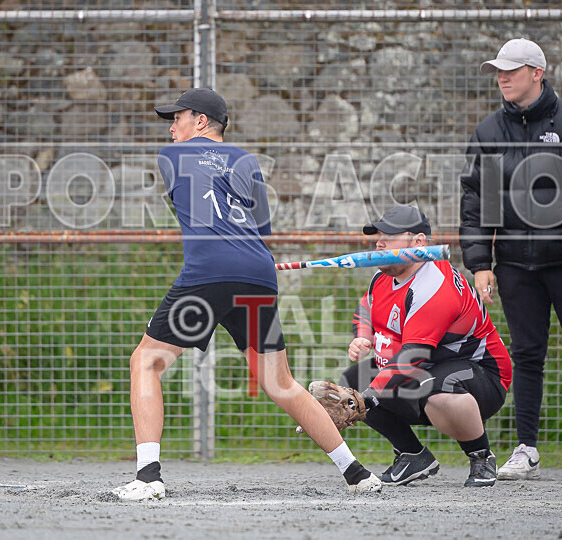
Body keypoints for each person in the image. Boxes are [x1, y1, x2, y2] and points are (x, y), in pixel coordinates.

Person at [112, 88, 380, 500]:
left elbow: (196, 206)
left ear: (200, 121)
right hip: (258, 271)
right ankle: (357, 473)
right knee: (280, 381)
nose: (172, 128)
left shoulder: (171, 157)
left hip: (208, 272)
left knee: (145, 362)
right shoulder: (247, 160)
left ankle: (148, 478)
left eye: (178, 118)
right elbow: (261, 229)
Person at [459, 38, 562, 482]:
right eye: (498, 70)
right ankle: (526, 449)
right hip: (515, 266)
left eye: (512, 70)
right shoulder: (490, 132)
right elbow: (477, 205)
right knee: (526, 356)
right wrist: (480, 264)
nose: (502, 77)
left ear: (538, 72)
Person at [339, 205, 512, 487]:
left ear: (419, 242)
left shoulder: (434, 286)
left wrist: (365, 400)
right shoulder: (383, 277)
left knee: (435, 390)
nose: (379, 242)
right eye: (378, 236)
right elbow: (366, 308)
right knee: (353, 380)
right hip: (427, 369)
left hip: (483, 376)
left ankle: (481, 456)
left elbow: (411, 359)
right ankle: (412, 455)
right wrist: (363, 335)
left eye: (389, 236)